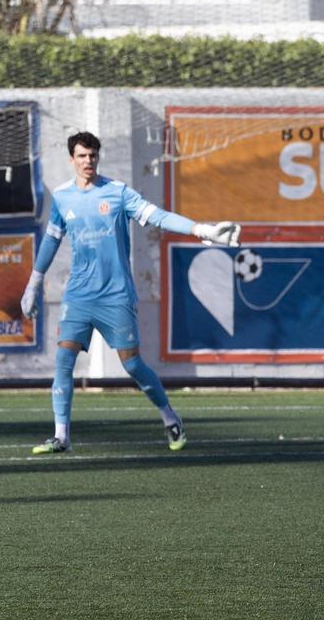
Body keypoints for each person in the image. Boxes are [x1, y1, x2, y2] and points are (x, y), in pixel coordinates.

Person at [20, 131, 240, 455]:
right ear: (72, 159)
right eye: (81, 156)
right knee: (64, 361)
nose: (88, 161)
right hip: (78, 295)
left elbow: (158, 217)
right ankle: (61, 436)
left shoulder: (118, 193)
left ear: (98, 157)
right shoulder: (63, 198)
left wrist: (200, 229)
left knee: (133, 365)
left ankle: (170, 417)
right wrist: (34, 282)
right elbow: (52, 240)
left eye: (92, 155)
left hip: (116, 296)